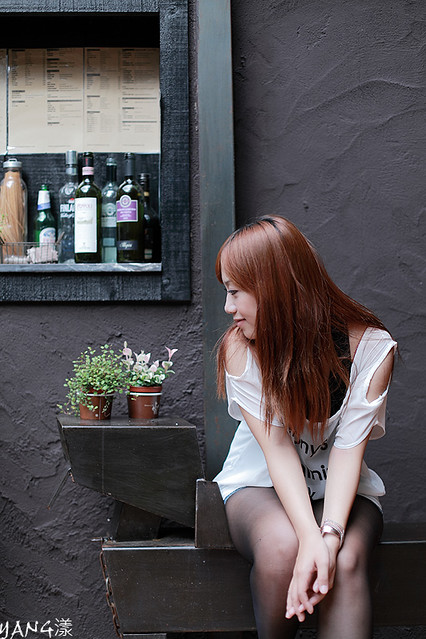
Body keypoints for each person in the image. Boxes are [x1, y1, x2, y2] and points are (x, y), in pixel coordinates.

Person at [213, 215, 397, 639]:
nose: (229, 308)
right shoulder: (241, 348)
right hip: (260, 485)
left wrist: (328, 538)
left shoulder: (370, 349)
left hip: (341, 489)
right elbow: (277, 448)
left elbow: (349, 450)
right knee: (284, 548)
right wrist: (310, 540)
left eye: (235, 292)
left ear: (273, 287)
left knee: (345, 561)